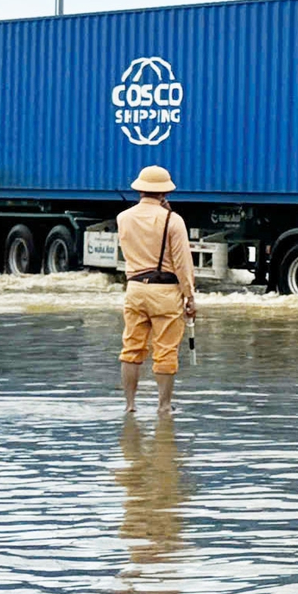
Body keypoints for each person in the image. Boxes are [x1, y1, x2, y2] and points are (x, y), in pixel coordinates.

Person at [117, 165, 197, 415]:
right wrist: (189, 296)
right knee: (165, 350)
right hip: (165, 292)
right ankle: (163, 406)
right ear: (164, 194)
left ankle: (130, 406)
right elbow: (183, 262)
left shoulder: (123, 218)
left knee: (131, 348)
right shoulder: (173, 221)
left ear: (140, 189)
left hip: (135, 289)